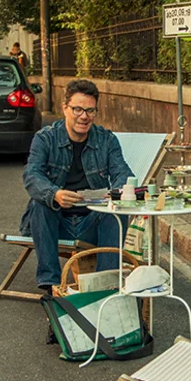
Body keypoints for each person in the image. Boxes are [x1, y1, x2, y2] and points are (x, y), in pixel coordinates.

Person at [20, 79, 134, 294]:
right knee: (40, 204)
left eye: (90, 111)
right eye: (78, 109)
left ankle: (105, 286)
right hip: (56, 222)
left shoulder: (106, 140)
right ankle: (51, 284)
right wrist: (54, 194)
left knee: (116, 212)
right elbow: (32, 174)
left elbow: (123, 173)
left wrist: (117, 193)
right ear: (65, 108)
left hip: (91, 223)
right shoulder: (45, 139)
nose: (84, 116)